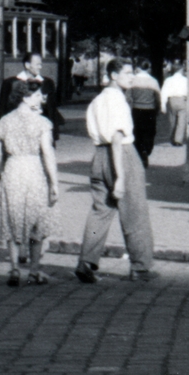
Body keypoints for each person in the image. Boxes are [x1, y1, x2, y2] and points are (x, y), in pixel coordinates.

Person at [76, 60, 156, 283]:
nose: (132, 77)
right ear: (113, 75)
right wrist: (120, 176)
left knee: (100, 211)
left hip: (99, 156)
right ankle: (140, 266)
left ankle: (86, 261)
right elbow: (117, 137)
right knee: (134, 212)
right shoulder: (118, 100)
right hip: (121, 155)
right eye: (127, 73)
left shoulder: (97, 101)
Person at [0, 79, 60, 286]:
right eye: (38, 95)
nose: (42, 98)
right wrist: (54, 182)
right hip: (33, 170)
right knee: (36, 219)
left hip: (13, 169)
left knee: (13, 218)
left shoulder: (5, 121)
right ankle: (34, 271)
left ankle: (13, 269)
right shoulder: (42, 123)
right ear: (27, 97)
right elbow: (48, 153)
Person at [0, 52, 65, 140]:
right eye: (37, 64)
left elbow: (52, 110)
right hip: (17, 131)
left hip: (39, 131)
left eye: (41, 64)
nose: (40, 67)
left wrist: (53, 135)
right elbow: (3, 110)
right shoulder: (10, 83)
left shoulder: (47, 83)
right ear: (27, 65)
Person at [125, 58, 162, 166]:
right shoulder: (153, 81)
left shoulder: (133, 81)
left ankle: (140, 153)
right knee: (150, 132)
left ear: (138, 68)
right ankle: (147, 150)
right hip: (150, 111)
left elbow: (128, 97)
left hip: (136, 110)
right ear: (148, 68)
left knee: (137, 132)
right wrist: (158, 109)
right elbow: (157, 97)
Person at [161, 60, 189, 146]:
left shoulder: (168, 80)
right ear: (181, 70)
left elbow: (164, 92)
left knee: (172, 119)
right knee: (181, 120)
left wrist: (163, 104)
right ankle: (178, 140)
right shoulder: (186, 80)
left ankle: (172, 136)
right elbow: (188, 92)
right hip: (182, 100)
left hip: (172, 100)